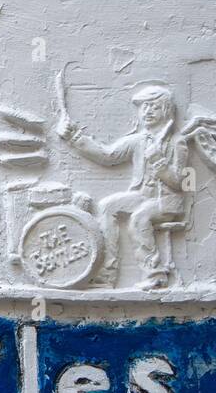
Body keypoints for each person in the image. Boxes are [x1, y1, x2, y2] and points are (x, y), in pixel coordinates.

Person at [57, 85, 189, 289]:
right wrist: (74, 137)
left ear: (165, 110)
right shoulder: (138, 140)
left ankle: (154, 275)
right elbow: (108, 155)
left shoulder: (177, 142)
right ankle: (106, 274)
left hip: (167, 201)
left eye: (153, 106)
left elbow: (179, 182)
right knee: (107, 206)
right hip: (144, 195)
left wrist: (159, 162)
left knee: (139, 218)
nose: (147, 111)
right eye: (144, 107)